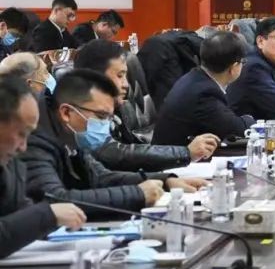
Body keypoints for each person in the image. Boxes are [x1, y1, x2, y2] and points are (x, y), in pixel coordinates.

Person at [22, 70, 203, 219]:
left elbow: (100, 177)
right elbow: (55, 200)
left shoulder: (69, 132)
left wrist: (165, 181)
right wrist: (137, 194)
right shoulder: (32, 137)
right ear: (67, 112)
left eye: (109, 117)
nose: (105, 125)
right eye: (101, 116)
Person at [73, 40, 217, 172]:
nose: (126, 85)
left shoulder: (113, 111)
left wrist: (166, 179)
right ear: (95, 77)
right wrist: (185, 153)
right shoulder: (79, 116)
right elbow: (114, 154)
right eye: (119, 76)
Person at [0, 77, 85, 258]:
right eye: (21, 133)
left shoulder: (10, 164)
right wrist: (46, 215)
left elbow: (19, 213)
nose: (23, 147)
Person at [153, 32, 254, 146]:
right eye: (242, 62)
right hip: (175, 155)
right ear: (233, 68)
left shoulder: (195, 77)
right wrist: (249, 119)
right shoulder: (204, 94)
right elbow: (236, 130)